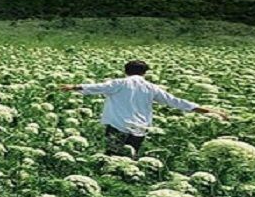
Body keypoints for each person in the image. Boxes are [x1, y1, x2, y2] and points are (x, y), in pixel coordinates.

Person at [60, 60, 226, 158]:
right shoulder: (151, 88)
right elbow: (176, 102)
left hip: (117, 126)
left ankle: (109, 184)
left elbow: (96, 87)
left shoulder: (118, 83)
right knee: (130, 158)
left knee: (111, 157)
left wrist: (73, 87)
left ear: (125, 71)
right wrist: (209, 111)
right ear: (145, 73)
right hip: (139, 129)